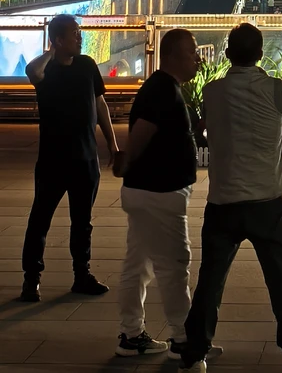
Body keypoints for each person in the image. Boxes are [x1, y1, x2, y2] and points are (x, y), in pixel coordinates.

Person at [179, 23, 282, 373]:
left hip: (223, 201)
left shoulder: (212, 91)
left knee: (211, 280)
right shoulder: (277, 88)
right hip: (267, 202)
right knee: (280, 278)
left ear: (227, 54)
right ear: (261, 54)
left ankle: (196, 353)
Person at [115, 28, 200, 357]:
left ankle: (131, 333)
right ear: (174, 56)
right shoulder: (163, 90)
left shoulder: (162, 87)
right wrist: (127, 162)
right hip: (159, 193)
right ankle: (183, 339)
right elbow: (142, 132)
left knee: (139, 264)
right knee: (174, 264)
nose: (197, 58)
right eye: (192, 51)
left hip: (146, 191)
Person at [19, 14, 116, 302]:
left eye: (79, 32)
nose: (80, 37)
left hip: (86, 159)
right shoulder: (45, 72)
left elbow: (100, 104)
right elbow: (31, 70)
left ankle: (81, 275)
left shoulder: (87, 65)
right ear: (59, 40)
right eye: (74, 33)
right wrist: (52, 51)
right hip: (53, 160)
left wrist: (113, 144)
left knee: (82, 222)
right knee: (40, 220)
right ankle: (31, 279)